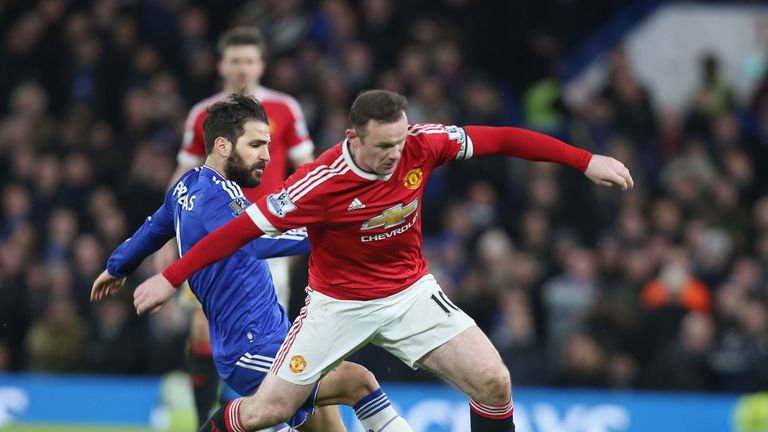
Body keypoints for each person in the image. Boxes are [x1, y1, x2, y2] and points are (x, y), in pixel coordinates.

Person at [136, 90, 635, 432]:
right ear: (353, 138)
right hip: (336, 305)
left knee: (493, 381)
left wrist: (584, 160)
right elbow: (239, 231)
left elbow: (502, 138)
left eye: (399, 141)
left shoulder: (423, 144)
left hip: (409, 294)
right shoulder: (319, 182)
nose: (395, 154)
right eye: (383, 146)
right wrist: (171, 278)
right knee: (268, 410)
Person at [92, 95, 412, 432]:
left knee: (330, 425)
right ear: (222, 145)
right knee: (359, 381)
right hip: (251, 347)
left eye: (268, 145)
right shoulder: (218, 199)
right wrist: (338, 229)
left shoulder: (188, 186)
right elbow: (258, 240)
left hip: (276, 339)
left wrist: (117, 267)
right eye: (256, 144)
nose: (267, 156)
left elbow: (152, 230)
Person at [164, 26, 315, 424]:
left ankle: (268, 417)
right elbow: (183, 177)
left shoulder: (285, 109)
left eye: (249, 60)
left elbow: (307, 169)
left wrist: (304, 222)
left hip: (269, 234)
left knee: (265, 334)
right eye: (235, 60)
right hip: (212, 236)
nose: (242, 68)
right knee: (203, 327)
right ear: (221, 66)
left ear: (262, 65)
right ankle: (204, 421)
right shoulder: (204, 114)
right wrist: (166, 237)